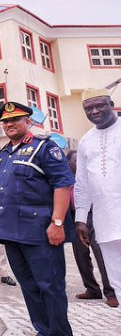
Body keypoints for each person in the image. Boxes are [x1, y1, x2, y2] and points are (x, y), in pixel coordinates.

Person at [0, 102, 75, 335]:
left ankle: (59, 333)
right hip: (11, 232)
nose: (10, 124)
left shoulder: (44, 148)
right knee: (29, 287)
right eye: (6, 121)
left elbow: (62, 183)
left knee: (50, 286)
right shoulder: (4, 153)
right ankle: (43, 330)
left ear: (28, 122)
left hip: (40, 232)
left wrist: (57, 222)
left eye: (16, 119)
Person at [74, 88, 121, 298]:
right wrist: (81, 219)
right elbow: (82, 183)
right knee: (117, 280)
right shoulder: (85, 141)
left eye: (100, 105)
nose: (94, 111)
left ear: (111, 105)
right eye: (88, 108)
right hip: (105, 221)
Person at [68, 149, 117, 307]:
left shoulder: (91, 175)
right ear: (69, 163)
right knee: (81, 256)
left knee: (101, 253)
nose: (78, 163)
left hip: (96, 216)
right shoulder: (66, 179)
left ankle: (111, 292)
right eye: (75, 160)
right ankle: (92, 289)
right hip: (76, 219)